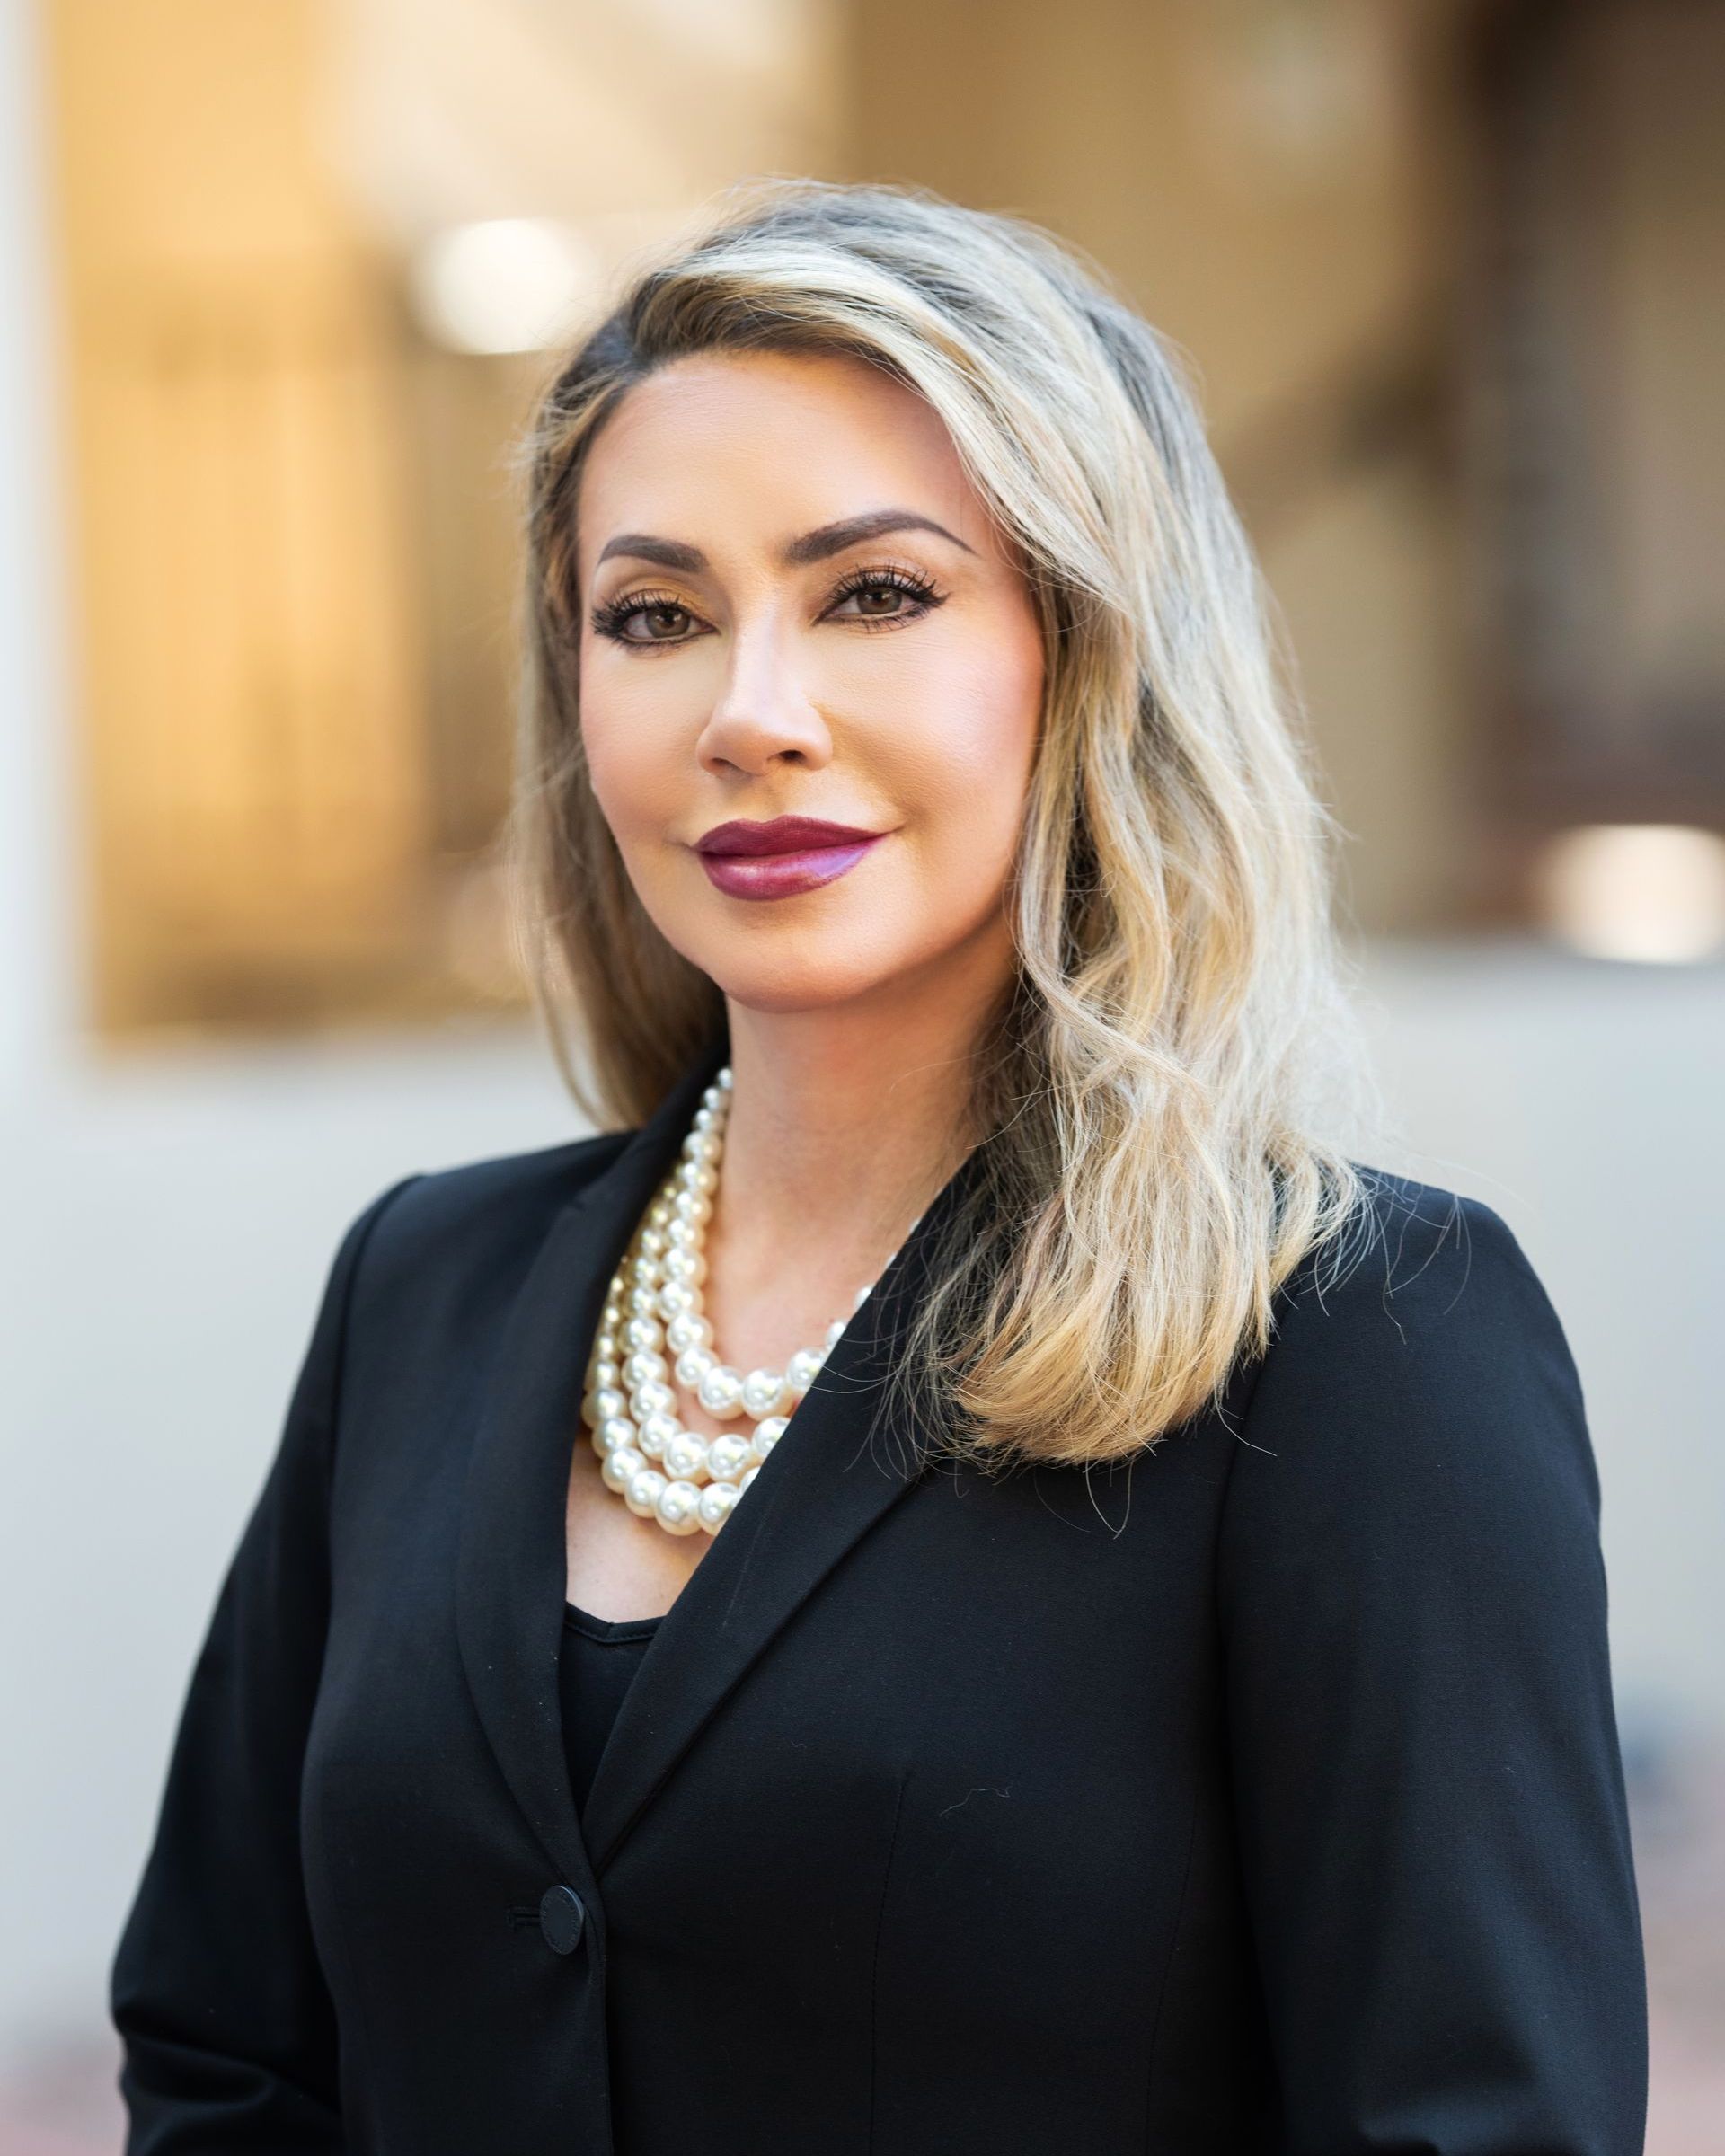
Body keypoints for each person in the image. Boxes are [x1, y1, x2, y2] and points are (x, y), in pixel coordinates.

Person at [110, 178, 1647, 2154]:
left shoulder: (1357, 1341)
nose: (750, 716)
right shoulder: (425, 1287)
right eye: (655, 617)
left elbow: (1473, 2121)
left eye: (877, 594)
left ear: (1082, 657)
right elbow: (228, 2046)